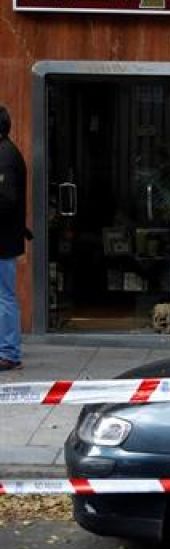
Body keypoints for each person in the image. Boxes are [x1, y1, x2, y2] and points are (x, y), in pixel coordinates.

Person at [0, 104, 30, 371]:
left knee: (4, 296)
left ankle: (8, 352)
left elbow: (7, 199)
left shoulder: (5, 156)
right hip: (5, 238)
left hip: (3, 240)